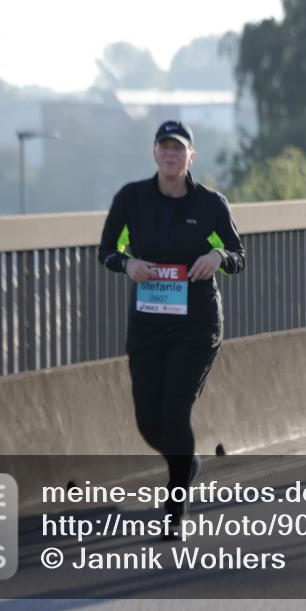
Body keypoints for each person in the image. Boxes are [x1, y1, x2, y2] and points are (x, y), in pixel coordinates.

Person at [99, 120, 245, 534]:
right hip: (148, 325)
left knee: (175, 412)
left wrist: (218, 258)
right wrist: (127, 263)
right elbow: (106, 250)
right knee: (149, 421)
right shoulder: (131, 199)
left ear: (190, 157)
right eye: (164, 147)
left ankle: (175, 508)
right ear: (154, 153)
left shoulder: (210, 204)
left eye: (178, 148)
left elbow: (238, 255)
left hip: (195, 326)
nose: (170, 154)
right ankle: (186, 463)